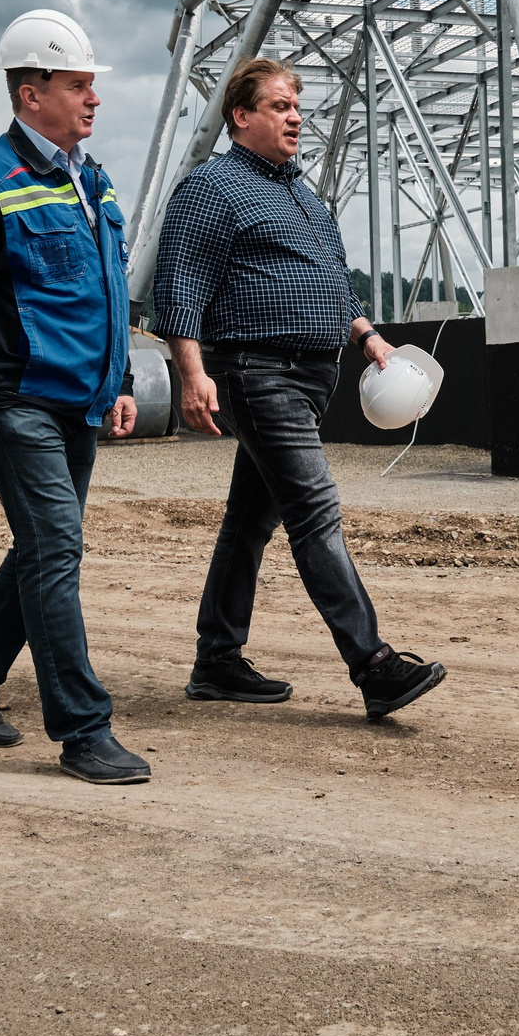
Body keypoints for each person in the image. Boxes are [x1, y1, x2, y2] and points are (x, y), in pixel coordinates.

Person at [154, 57, 447, 722]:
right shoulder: (211, 188)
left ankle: (216, 660)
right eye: (281, 106)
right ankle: (373, 665)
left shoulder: (304, 196)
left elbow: (334, 282)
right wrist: (193, 374)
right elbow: (179, 285)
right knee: (315, 507)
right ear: (241, 116)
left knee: (250, 520)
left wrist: (369, 337)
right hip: (259, 374)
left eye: (297, 107)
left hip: (312, 377)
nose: (295, 117)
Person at [0, 8, 148, 786]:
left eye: (91, 86)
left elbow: (106, 294)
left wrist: (117, 382)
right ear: (29, 95)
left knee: (40, 551)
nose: (94, 100)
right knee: (56, 552)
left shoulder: (92, 180)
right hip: (15, 402)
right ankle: (84, 729)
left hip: (76, 401)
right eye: (78, 85)